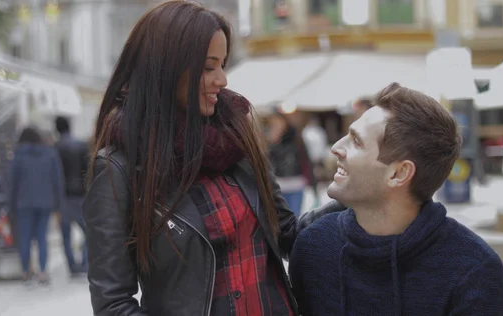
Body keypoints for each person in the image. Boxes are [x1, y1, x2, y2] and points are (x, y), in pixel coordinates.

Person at [82, 2, 338, 315]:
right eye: (208, 67)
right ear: (166, 67)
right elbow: (113, 304)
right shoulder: (119, 168)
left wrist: (352, 201)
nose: (223, 80)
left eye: (223, 65)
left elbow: (287, 235)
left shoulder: (238, 140)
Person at [289, 83, 503, 315]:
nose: (336, 148)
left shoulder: (474, 270)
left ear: (398, 173)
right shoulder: (313, 247)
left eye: (356, 142)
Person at [9, 127, 64, 286]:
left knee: (24, 237)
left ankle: (25, 273)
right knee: (42, 238)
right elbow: (57, 180)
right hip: (45, 202)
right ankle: (43, 272)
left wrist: (11, 204)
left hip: (23, 202)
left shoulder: (18, 155)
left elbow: (13, 183)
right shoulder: (50, 154)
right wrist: (58, 204)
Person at [266, 108, 319, 215]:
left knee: (294, 217)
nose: (276, 125)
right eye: (273, 123)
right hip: (278, 187)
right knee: (279, 219)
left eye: (278, 122)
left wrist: (315, 189)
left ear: (285, 122)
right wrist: (271, 143)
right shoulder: (269, 140)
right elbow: (266, 164)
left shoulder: (296, 138)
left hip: (296, 184)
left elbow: (306, 162)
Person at [55, 116, 89, 276]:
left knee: (66, 234)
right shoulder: (81, 145)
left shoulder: (55, 148)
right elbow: (88, 169)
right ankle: (84, 263)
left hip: (63, 197)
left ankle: (72, 266)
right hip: (81, 195)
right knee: (88, 232)